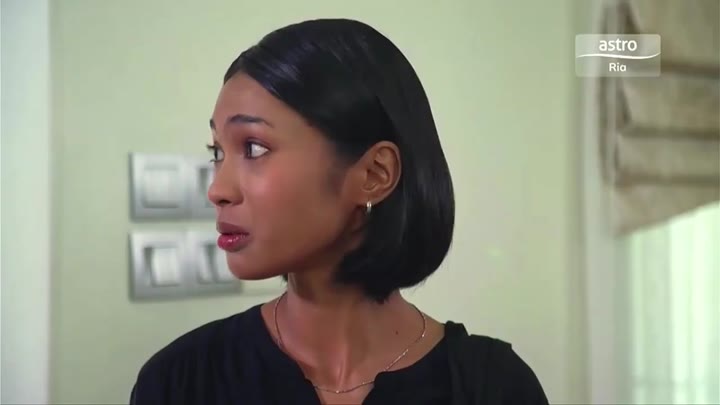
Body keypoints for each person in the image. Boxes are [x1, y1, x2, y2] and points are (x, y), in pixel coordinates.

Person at [131, 18, 548, 405]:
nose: (217, 190)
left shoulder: (493, 388)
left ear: (374, 174)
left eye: (254, 148)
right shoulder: (179, 382)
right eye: (218, 152)